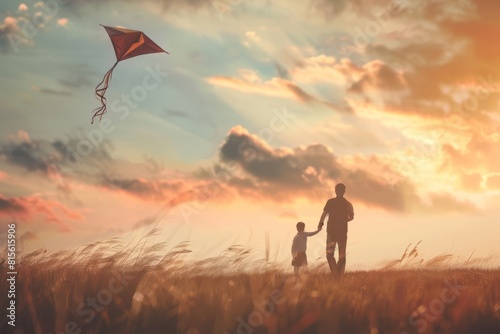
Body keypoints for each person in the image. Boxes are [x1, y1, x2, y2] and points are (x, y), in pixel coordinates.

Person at [318, 183, 354, 276]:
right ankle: (339, 274)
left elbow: (324, 214)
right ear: (344, 191)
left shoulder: (330, 202)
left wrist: (320, 223)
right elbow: (352, 217)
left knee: (329, 254)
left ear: (335, 191)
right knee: (342, 254)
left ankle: (335, 273)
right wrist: (344, 220)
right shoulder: (348, 203)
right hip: (342, 231)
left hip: (331, 231)